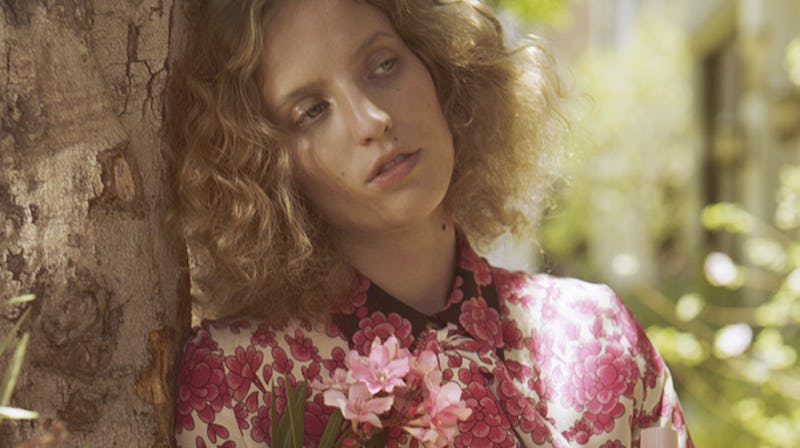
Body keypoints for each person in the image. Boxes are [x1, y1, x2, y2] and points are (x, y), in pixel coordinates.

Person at [169, 0, 694, 447]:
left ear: (441, 70)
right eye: (312, 110)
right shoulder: (242, 377)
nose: (372, 119)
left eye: (382, 66)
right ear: (262, 163)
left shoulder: (593, 333)